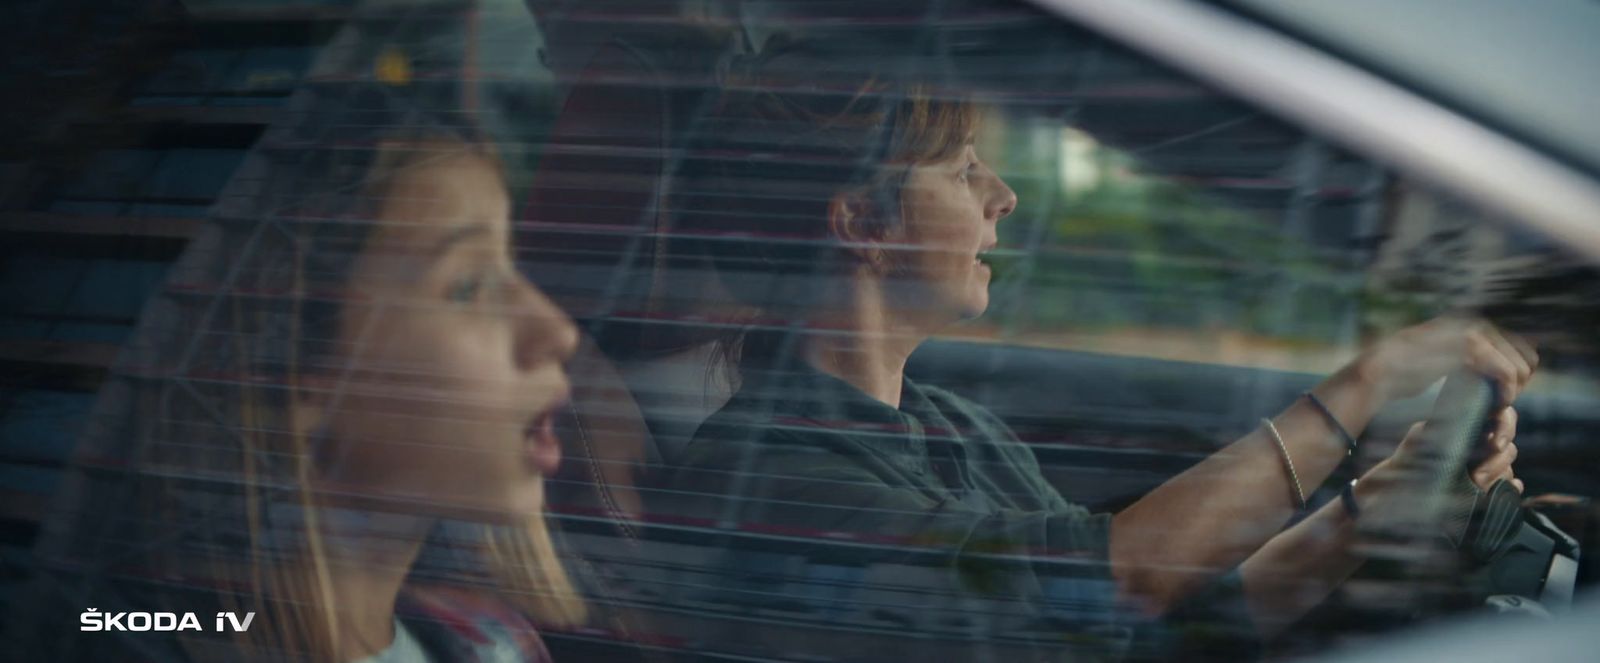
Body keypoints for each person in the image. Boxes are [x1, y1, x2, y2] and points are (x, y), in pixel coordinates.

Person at [661, 37, 1536, 659]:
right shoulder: (767, 476)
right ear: (860, 222)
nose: (1001, 196)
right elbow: (1116, 582)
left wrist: (1374, 507)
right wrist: (1368, 381)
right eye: (964, 170)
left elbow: (1161, 627)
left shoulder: (953, 427)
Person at [9, 125, 586, 662]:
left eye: (513, 267)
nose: (557, 329)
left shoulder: (494, 642)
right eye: (470, 285)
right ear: (293, 375)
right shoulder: (136, 630)